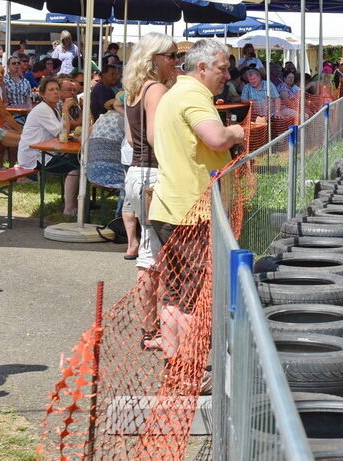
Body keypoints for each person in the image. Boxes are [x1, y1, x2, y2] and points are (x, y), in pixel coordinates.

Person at [147, 39, 244, 359]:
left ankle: (177, 362)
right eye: (222, 68)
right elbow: (216, 139)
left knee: (177, 295)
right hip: (191, 213)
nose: (227, 76)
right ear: (201, 68)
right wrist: (237, 133)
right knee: (194, 295)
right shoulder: (193, 95)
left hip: (171, 209)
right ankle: (193, 365)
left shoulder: (176, 94)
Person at [122, 32, 179, 270]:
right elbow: (156, 137)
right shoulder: (155, 89)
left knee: (150, 249)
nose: (176, 61)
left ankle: (151, 306)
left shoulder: (135, 89)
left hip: (136, 173)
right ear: (153, 58)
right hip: (153, 174)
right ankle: (151, 307)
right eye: (171, 56)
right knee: (153, 254)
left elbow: (130, 138)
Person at [16, 77, 81, 216]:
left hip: (45, 151)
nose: (56, 93)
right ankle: (69, 208)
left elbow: (63, 133)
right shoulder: (42, 110)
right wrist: (65, 108)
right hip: (34, 156)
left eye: (57, 89)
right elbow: (61, 132)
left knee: (79, 161)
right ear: (43, 94)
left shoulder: (52, 108)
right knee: (75, 168)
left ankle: (76, 202)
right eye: (51, 90)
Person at [87, 96, 128, 220]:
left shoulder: (102, 118)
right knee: (135, 180)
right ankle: (121, 216)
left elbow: (82, 138)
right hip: (112, 173)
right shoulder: (124, 120)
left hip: (91, 172)